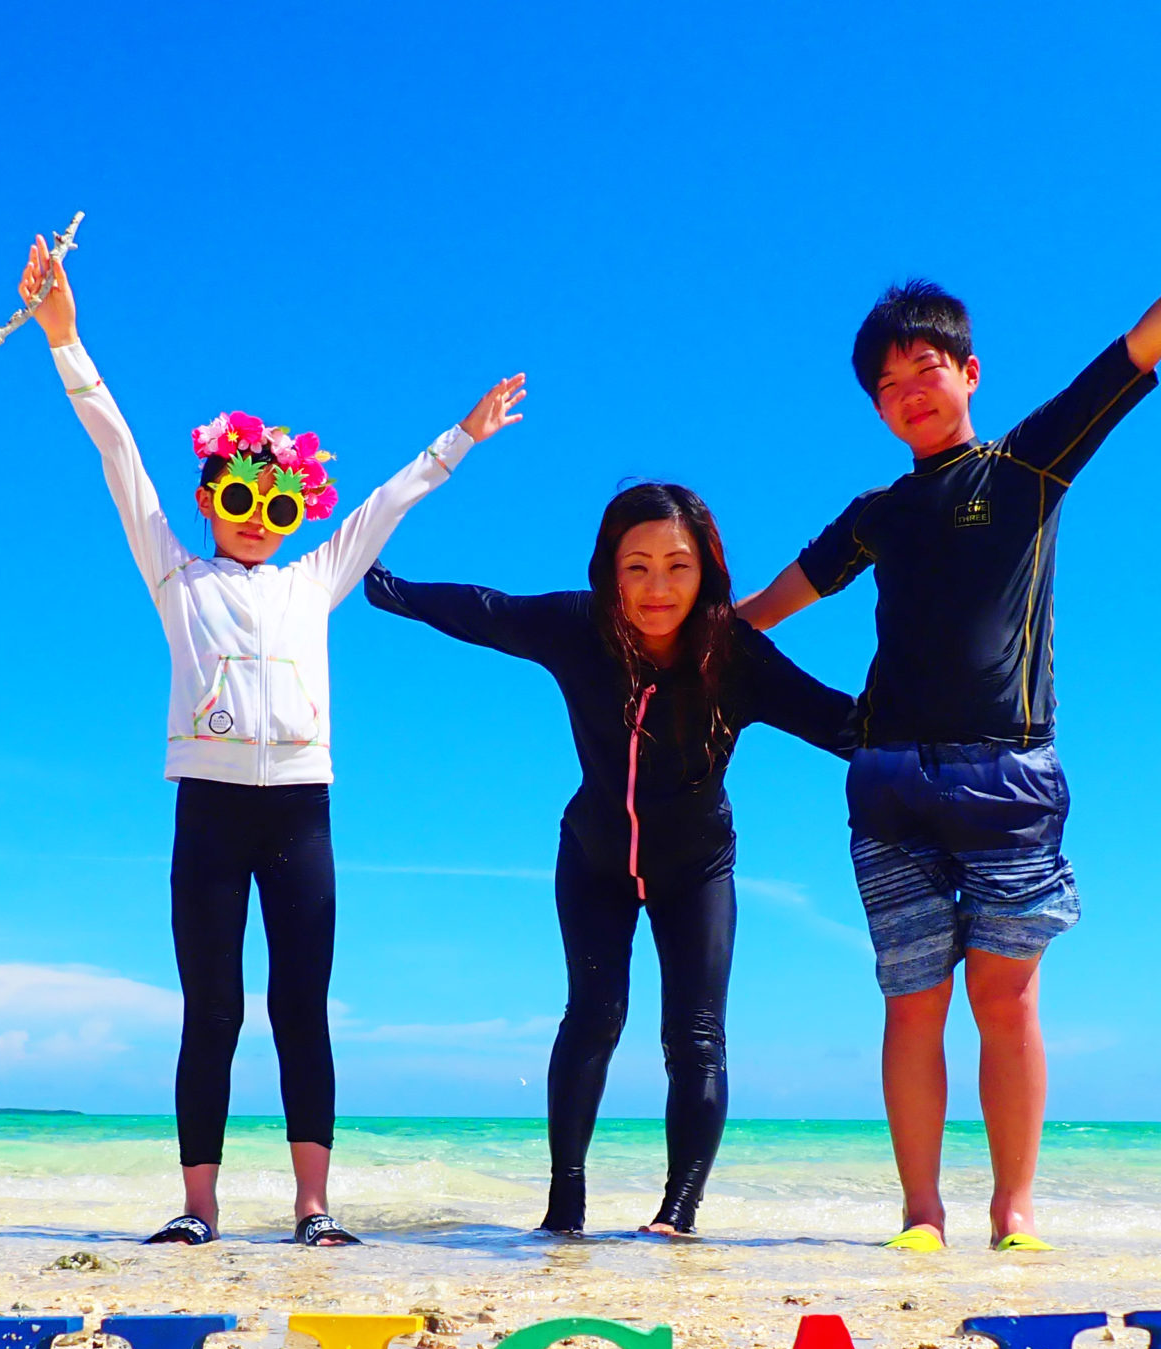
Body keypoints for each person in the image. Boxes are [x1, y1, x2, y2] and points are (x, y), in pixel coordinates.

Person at [736, 106, 1161, 1253]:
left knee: (1007, 998)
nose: (909, 392)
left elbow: (1144, 340)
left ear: (968, 372)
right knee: (909, 1001)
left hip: (1007, 775)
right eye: (887, 385)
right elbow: (771, 604)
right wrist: (666, 638)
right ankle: (920, 1214)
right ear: (875, 407)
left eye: (925, 368)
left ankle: (1015, 1210)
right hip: (887, 782)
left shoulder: (1027, 465)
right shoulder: (876, 512)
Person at [16, 236, 526, 1247]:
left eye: (277, 502)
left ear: (301, 511)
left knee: (302, 1007)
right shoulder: (175, 574)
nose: (258, 518)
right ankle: (197, 1209)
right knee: (211, 1010)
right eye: (239, 499)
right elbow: (115, 451)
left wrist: (461, 436)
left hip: (301, 810)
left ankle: (311, 1207)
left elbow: (390, 498)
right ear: (210, 501)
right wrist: (66, 342)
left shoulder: (315, 579)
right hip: (207, 808)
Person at [366, 483, 856, 1237]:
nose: (658, 588)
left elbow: (841, 724)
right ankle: (565, 1209)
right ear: (610, 571)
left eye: (677, 566)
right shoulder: (578, 628)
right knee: (593, 1017)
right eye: (637, 567)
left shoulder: (737, 658)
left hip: (695, 866)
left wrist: (941, 724)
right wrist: (378, 584)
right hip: (593, 856)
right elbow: (484, 611)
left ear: (707, 574)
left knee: (693, 1036)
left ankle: (677, 1215)